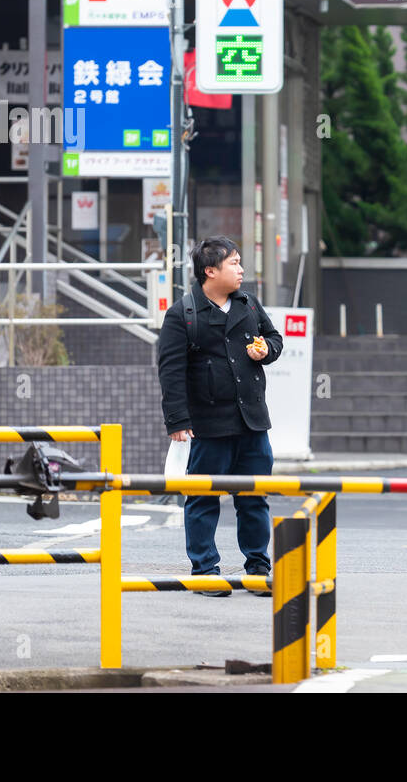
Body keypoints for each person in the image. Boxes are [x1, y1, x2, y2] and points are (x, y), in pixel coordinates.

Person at [157, 236, 284, 596]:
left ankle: (258, 566)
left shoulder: (248, 304)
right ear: (210, 271)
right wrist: (178, 421)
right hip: (208, 424)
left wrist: (266, 350)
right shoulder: (184, 312)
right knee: (202, 497)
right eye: (234, 263)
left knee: (255, 496)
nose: (241, 269)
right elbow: (171, 371)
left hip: (252, 421)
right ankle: (205, 569)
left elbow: (274, 339)